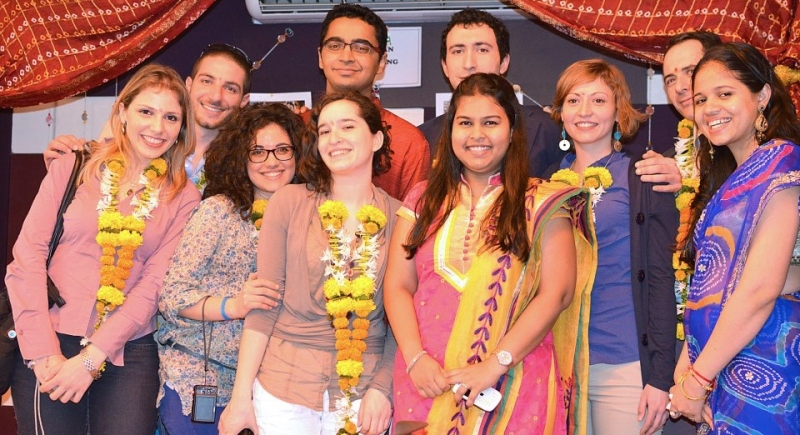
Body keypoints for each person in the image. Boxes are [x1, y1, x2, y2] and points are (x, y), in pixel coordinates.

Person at [385, 73, 596, 434]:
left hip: (513, 382)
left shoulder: (542, 202)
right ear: (450, 131)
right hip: (427, 381)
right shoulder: (422, 199)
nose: (477, 135)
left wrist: (495, 364)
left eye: (491, 123)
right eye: (465, 123)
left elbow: (557, 293)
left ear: (512, 131)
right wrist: (415, 358)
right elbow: (398, 286)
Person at [5, 64, 201, 435]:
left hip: (128, 351)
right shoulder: (73, 166)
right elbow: (27, 257)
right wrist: (43, 352)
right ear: (122, 112)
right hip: (51, 338)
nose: (157, 127)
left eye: (171, 117)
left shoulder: (184, 196)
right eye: (146, 111)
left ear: (182, 127)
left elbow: (154, 284)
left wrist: (92, 358)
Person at [218, 91, 398, 435]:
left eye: (347, 126)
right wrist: (240, 398)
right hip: (283, 389)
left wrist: (382, 388)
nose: (335, 138)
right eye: (325, 130)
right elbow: (264, 305)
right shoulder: (289, 202)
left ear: (376, 139)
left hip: (363, 394)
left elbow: (400, 320)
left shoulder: (399, 216)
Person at [669, 42, 800, 434]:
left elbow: (760, 288)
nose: (710, 108)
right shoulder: (728, 178)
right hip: (724, 362)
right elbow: (709, 285)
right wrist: (688, 368)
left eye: (724, 94)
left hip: (769, 359)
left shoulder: (781, 164)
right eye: (701, 99)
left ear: (762, 95)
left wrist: (697, 379)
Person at [156, 103, 304, 433]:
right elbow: (172, 297)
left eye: (282, 149)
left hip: (274, 385)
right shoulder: (218, 212)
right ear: (240, 157)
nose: (272, 162)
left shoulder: (311, 219)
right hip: (201, 376)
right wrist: (234, 306)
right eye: (258, 152)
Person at [548, 59, 678, 435]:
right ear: (561, 114)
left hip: (624, 364)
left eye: (598, 100)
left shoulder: (643, 177)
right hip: (559, 364)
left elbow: (660, 277)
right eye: (574, 100)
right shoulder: (545, 185)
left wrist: (660, 376)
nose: (584, 111)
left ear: (619, 112)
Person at [44, 43, 252, 191]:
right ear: (189, 85)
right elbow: (95, 187)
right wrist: (68, 168)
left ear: (244, 101)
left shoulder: (246, 160)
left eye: (230, 88)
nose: (216, 96)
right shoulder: (148, 135)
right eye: (207, 81)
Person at [660, 30, 722, 435]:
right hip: (686, 339)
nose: (682, 85)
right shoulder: (671, 161)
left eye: (690, 71)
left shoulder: (759, 155)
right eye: (670, 78)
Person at [418, 8, 563, 177]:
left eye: (482, 50)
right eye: (458, 51)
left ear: (504, 62)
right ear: (445, 66)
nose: (469, 64)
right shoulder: (424, 138)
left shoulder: (548, 128)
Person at [310, 3, 430, 200]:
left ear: (382, 62)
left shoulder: (408, 142)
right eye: (334, 46)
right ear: (320, 57)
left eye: (361, 48)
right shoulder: (296, 128)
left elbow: (414, 217)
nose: (346, 57)